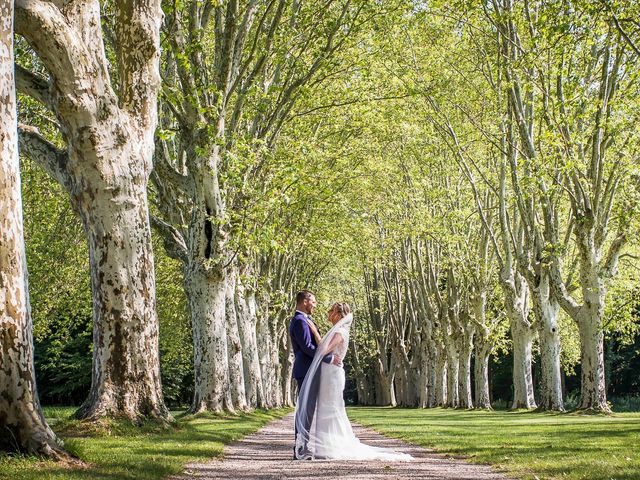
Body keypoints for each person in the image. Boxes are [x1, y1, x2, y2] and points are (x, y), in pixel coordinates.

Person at [294, 302, 413, 461]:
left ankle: (332, 447)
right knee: (326, 408)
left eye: (330, 311)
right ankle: (325, 447)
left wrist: (315, 332)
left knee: (332, 409)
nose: (328, 313)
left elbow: (323, 350)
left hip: (333, 375)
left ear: (337, 314)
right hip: (329, 374)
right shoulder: (337, 330)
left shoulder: (340, 331)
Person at [289, 290, 342, 459]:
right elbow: (307, 348)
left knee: (308, 410)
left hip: (310, 371)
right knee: (305, 410)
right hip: (305, 371)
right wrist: (329, 358)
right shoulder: (299, 321)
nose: (315, 304)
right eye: (313, 301)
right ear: (305, 301)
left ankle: (302, 446)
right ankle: (300, 449)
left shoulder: (305, 320)